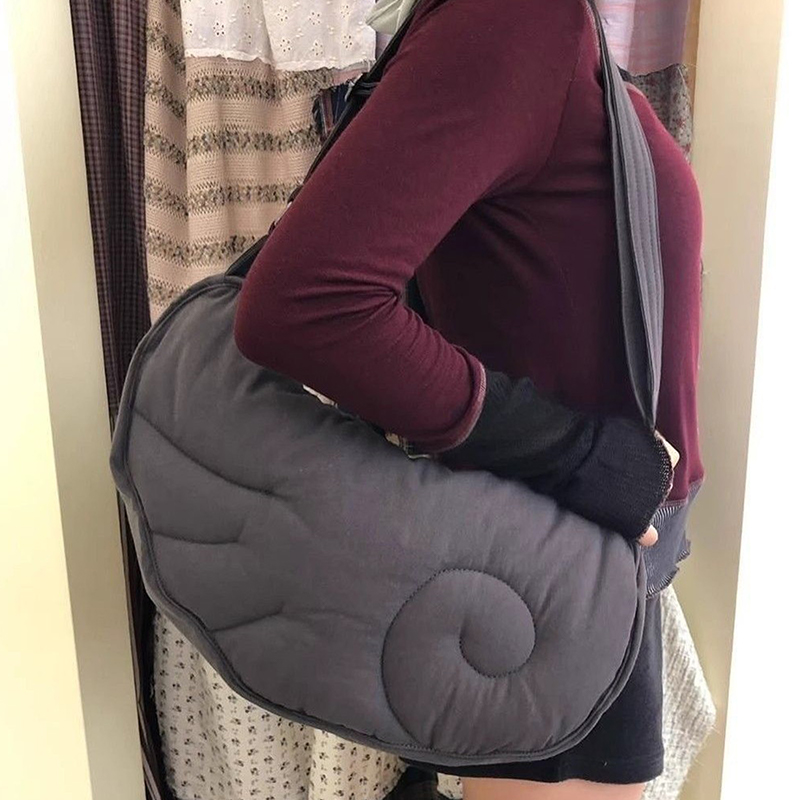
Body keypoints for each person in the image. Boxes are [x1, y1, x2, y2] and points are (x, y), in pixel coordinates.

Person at [232, 0, 704, 797]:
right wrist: (583, 460)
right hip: (555, 575)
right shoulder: (513, 18)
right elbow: (303, 306)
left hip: (591, 560)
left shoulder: (536, 23)